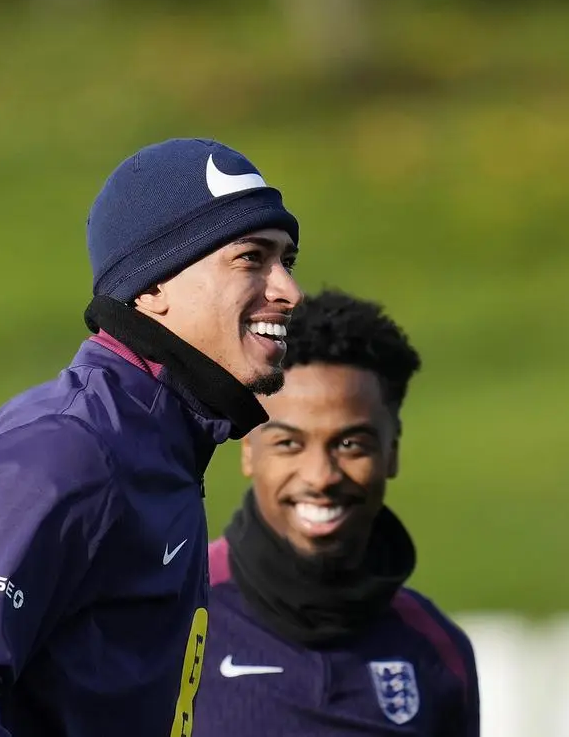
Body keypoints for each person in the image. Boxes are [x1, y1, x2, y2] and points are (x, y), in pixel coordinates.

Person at [0, 137, 303, 737]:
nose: (288, 290)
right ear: (153, 286)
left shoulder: (167, 445)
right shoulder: (62, 450)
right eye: (251, 258)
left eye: (288, 260)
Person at [195, 289, 479, 736]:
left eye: (351, 444)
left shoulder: (436, 650)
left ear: (392, 452)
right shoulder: (173, 617)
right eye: (289, 442)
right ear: (248, 450)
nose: (321, 476)